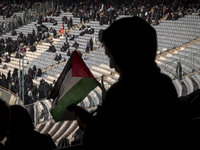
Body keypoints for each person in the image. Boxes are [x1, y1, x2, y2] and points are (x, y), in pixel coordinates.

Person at [66, 16, 196, 150]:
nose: (110, 65)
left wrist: (88, 126)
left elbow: (103, 141)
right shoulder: (164, 83)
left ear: (125, 57)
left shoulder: (120, 93)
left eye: (111, 57)